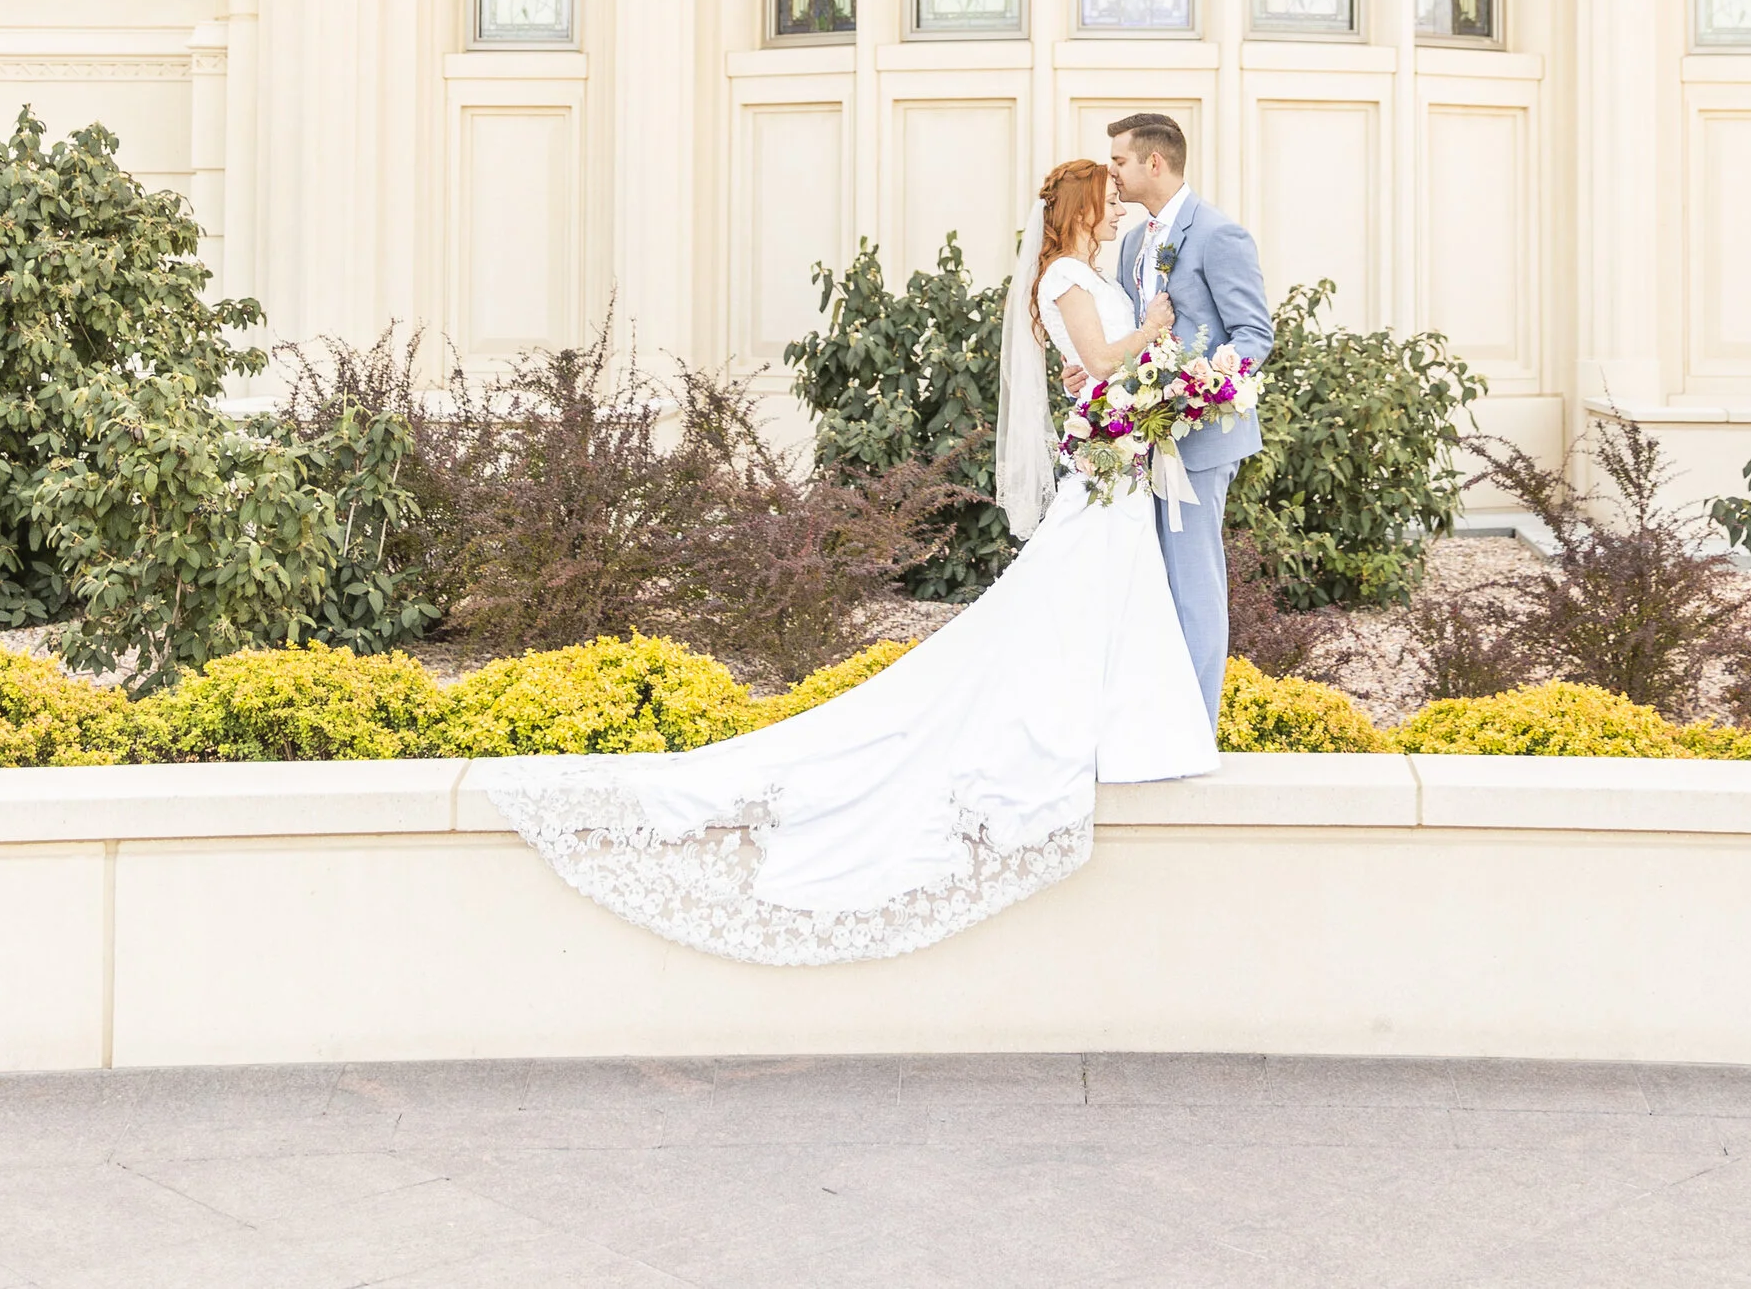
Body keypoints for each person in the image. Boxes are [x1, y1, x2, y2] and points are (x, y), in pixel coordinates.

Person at [483, 157, 1218, 965]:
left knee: (1086, 602)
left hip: (1116, 466)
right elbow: (1105, 362)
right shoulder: (1069, 276)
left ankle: (1121, 728)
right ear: (1083, 206)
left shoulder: (1089, 271)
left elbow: (1097, 371)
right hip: (1104, 474)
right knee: (1063, 602)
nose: (1119, 210)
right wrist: (1151, 332)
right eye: (1109, 200)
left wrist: (1150, 368)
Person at [1106, 111, 1275, 719]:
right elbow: (1136, 331)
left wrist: (1199, 390)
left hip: (1198, 441)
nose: (1113, 173)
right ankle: (1155, 716)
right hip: (1141, 438)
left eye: (1120, 161)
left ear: (1154, 161)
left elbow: (1255, 334)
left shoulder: (1218, 234)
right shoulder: (1132, 242)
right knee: (1149, 581)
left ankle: (1196, 726)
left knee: (1194, 580)